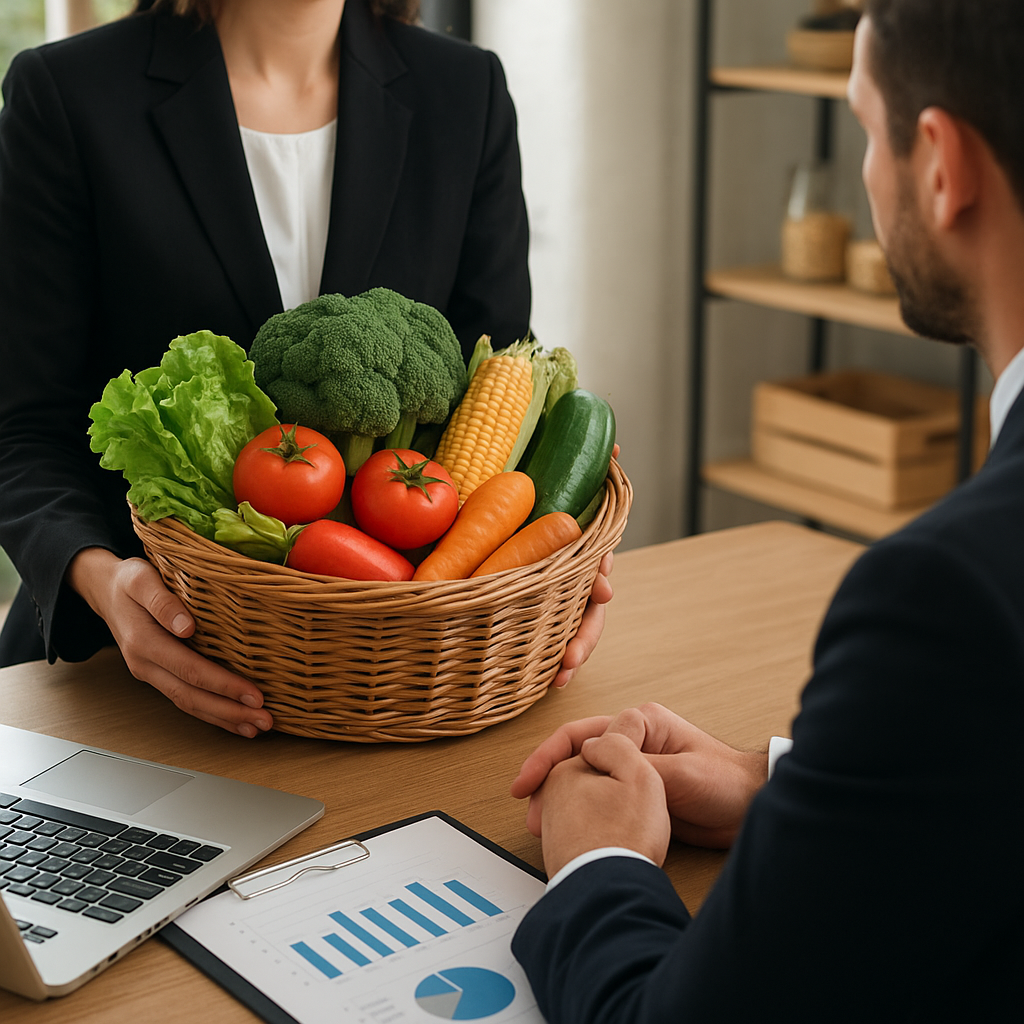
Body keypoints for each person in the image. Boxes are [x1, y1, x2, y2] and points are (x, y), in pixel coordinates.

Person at [510, 1, 1022, 1018]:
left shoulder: (946, 595)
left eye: (865, 130)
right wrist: (792, 783)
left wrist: (598, 866)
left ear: (938, 165)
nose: (868, 174)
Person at [0, 0, 612, 738]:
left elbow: (507, 382)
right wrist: (101, 578)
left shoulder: (466, 91)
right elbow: (23, 425)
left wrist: (565, 571)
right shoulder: (66, 91)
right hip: (140, 669)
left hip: (407, 679)